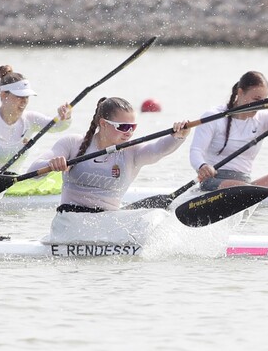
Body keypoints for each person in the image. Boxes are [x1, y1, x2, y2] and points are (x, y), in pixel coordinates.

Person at [32, 97, 191, 243]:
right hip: (70, 222)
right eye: (123, 127)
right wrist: (51, 164)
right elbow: (34, 170)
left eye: (132, 127)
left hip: (107, 224)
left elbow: (157, 150)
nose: (129, 133)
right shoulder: (73, 143)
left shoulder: (132, 151)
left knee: (157, 215)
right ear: (103, 124)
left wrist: (178, 137)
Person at [188, 71, 268, 191]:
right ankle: (254, 191)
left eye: (264, 101)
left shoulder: (262, 118)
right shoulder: (213, 117)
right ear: (240, 92)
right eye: (256, 99)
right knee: (245, 188)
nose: (260, 105)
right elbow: (196, 151)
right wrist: (202, 166)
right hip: (213, 180)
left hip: (244, 184)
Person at [0, 65, 72, 177]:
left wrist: (65, 116)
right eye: (19, 96)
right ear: (3, 95)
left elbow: (58, 126)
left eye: (27, 97)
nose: (24, 101)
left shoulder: (30, 119)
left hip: (14, 180)